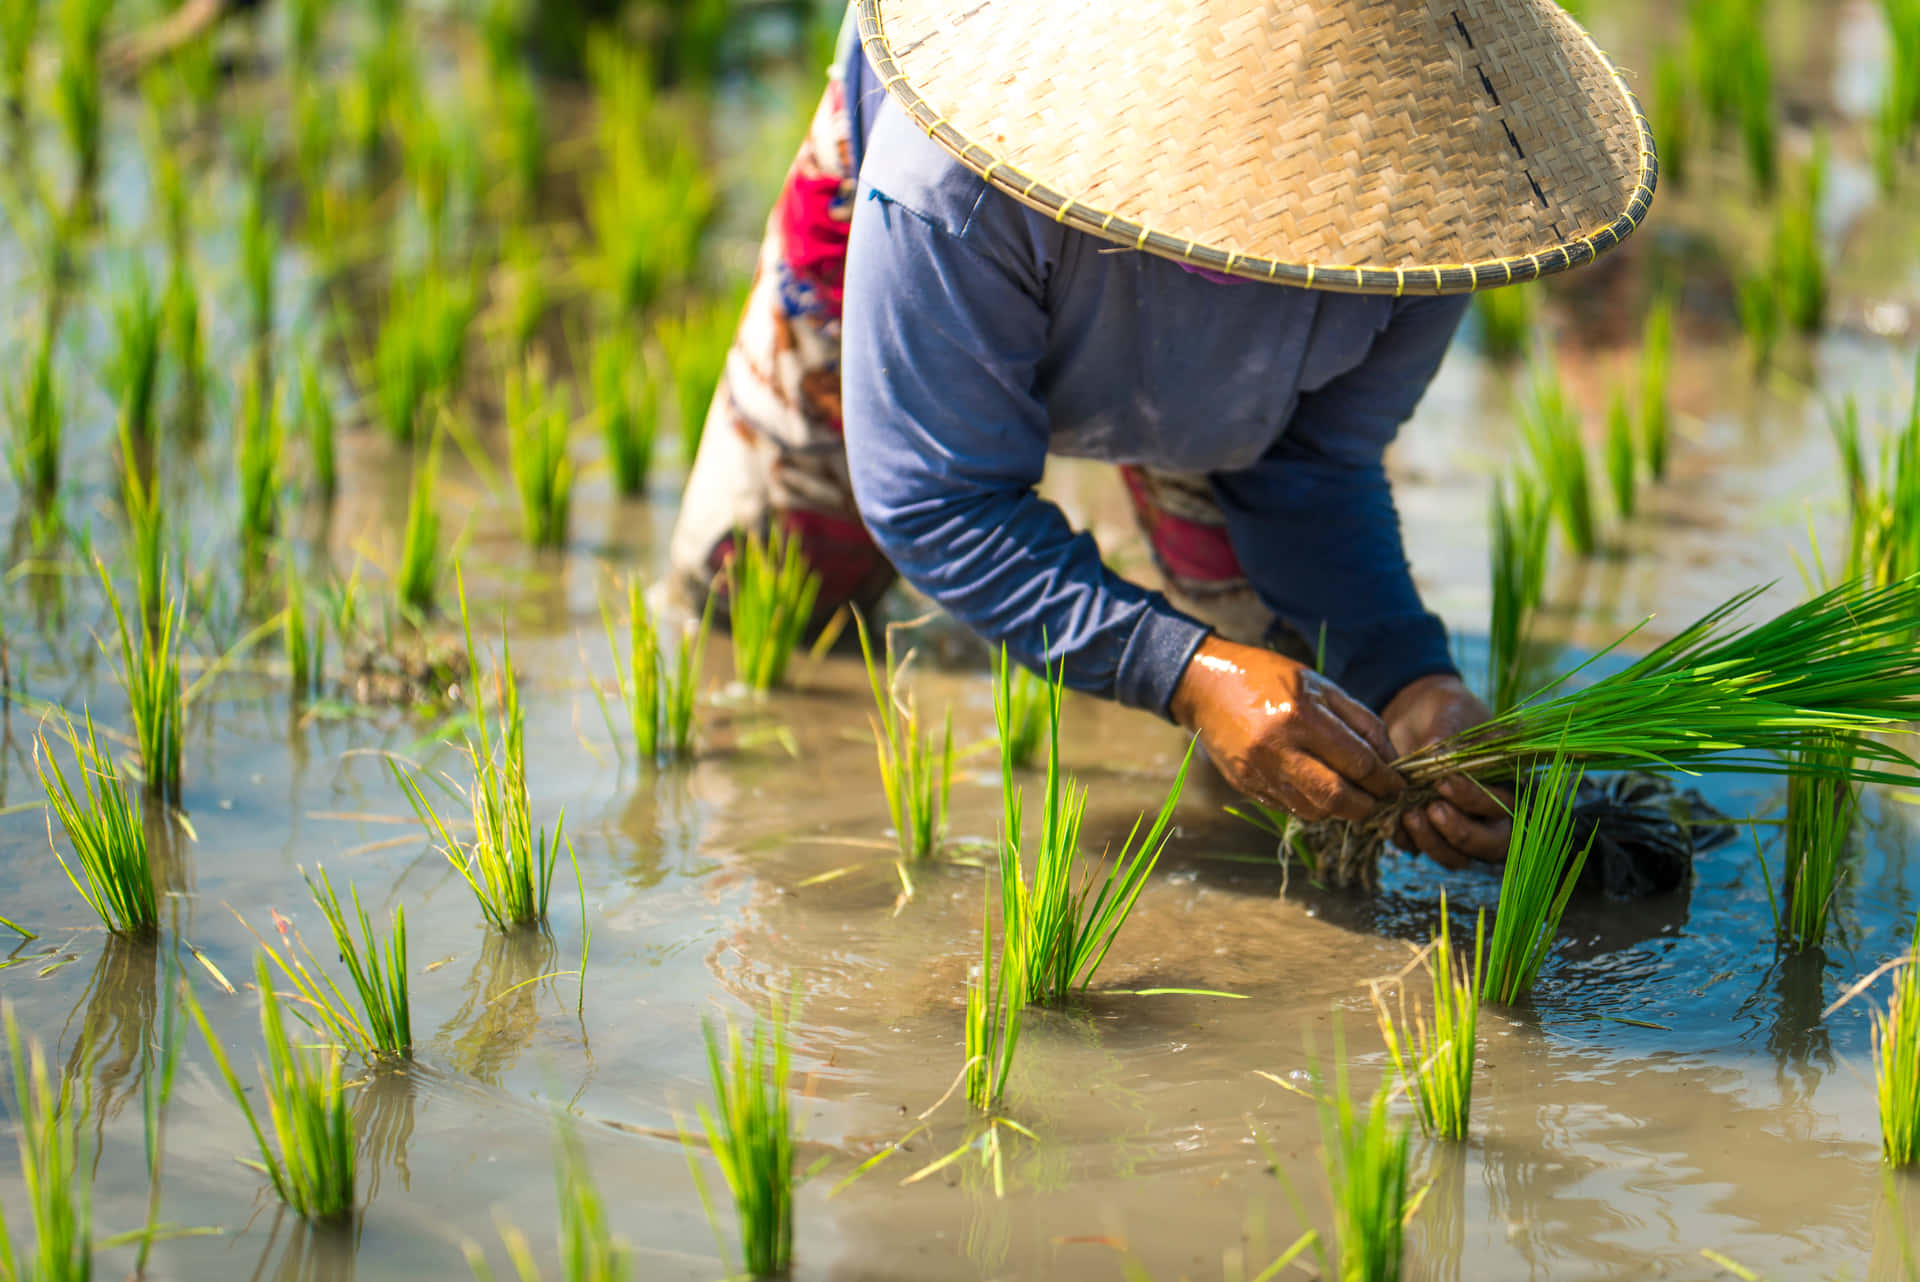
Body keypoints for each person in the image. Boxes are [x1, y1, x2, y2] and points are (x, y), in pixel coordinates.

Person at [669, 0, 1655, 871]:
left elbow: (1310, 467)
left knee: (1309, 751)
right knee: (749, 612)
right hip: (942, 245)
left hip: (1230, 415)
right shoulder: (948, 173)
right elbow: (932, 493)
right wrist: (1180, 671)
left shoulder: (1442, 202)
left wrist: (1411, 676)